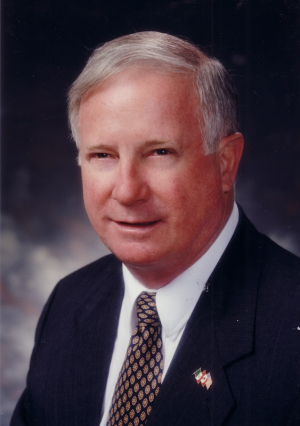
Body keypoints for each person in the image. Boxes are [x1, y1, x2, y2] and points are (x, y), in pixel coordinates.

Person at [11, 31, 299, 426]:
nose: (127, 191)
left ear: (226, 164)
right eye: (103, 155)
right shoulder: (69, 303)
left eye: (159, 152)